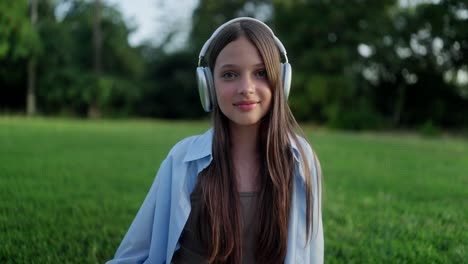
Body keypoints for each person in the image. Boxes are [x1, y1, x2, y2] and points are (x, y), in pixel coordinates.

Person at [107, 17, 323, 264]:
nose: (246, 87)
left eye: (261, 73)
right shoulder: (182, 159)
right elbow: (137, 251)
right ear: (208, 85)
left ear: (281, 81)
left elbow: (310, 254)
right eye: (230, 74)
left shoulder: (300, 159)